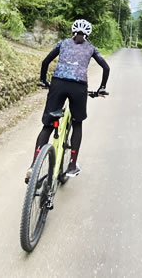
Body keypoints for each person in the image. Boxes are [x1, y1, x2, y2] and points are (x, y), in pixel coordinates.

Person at [27, 19, 109, 182]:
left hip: (58, 84)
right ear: (87, 34)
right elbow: (106, 67)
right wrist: (101, 88)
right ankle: (72, 164)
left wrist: (43, 80)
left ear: (73, 31)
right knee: (77, 123)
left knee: (48, 125)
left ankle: (33, 165)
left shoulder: (63, 43)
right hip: (78, 88)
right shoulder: (91, 48)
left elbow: (45, 61)